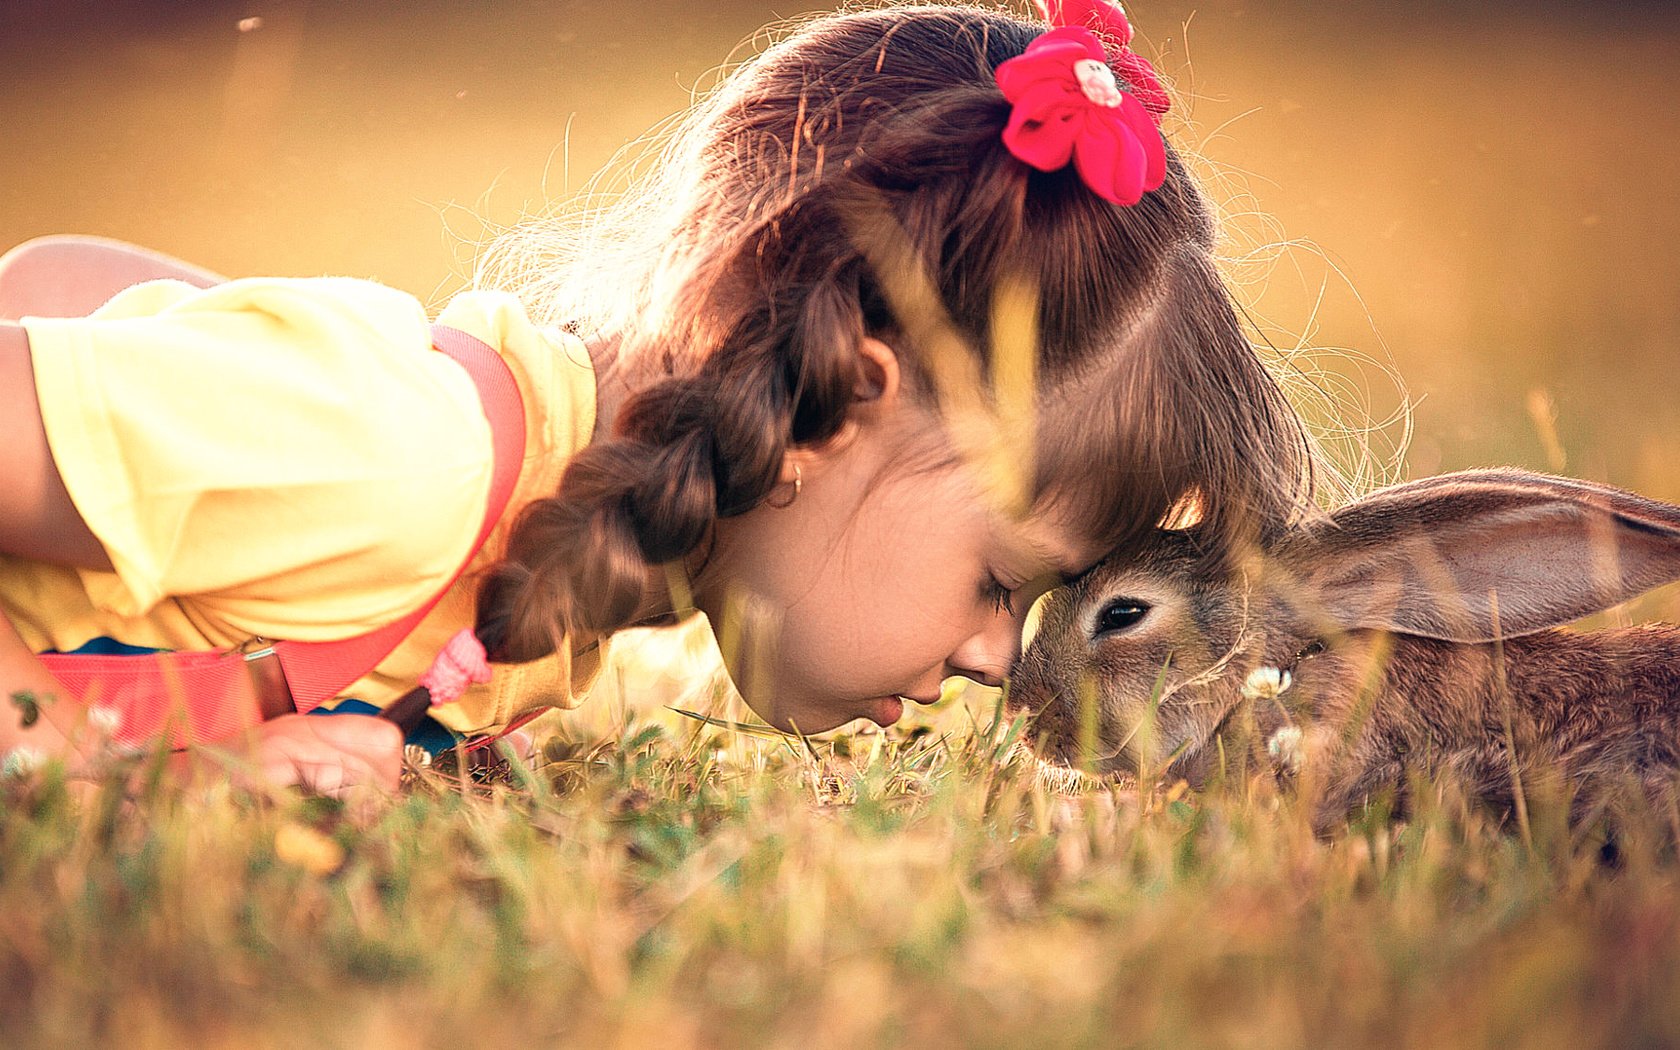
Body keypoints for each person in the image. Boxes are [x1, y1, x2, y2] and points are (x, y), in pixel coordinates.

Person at [0, 1, 1325, 792]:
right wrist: (95, 767)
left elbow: (65, 283)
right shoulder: (400, 463)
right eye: (999, 577)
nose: (994, 659)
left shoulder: (535, 590)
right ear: (839, 405)